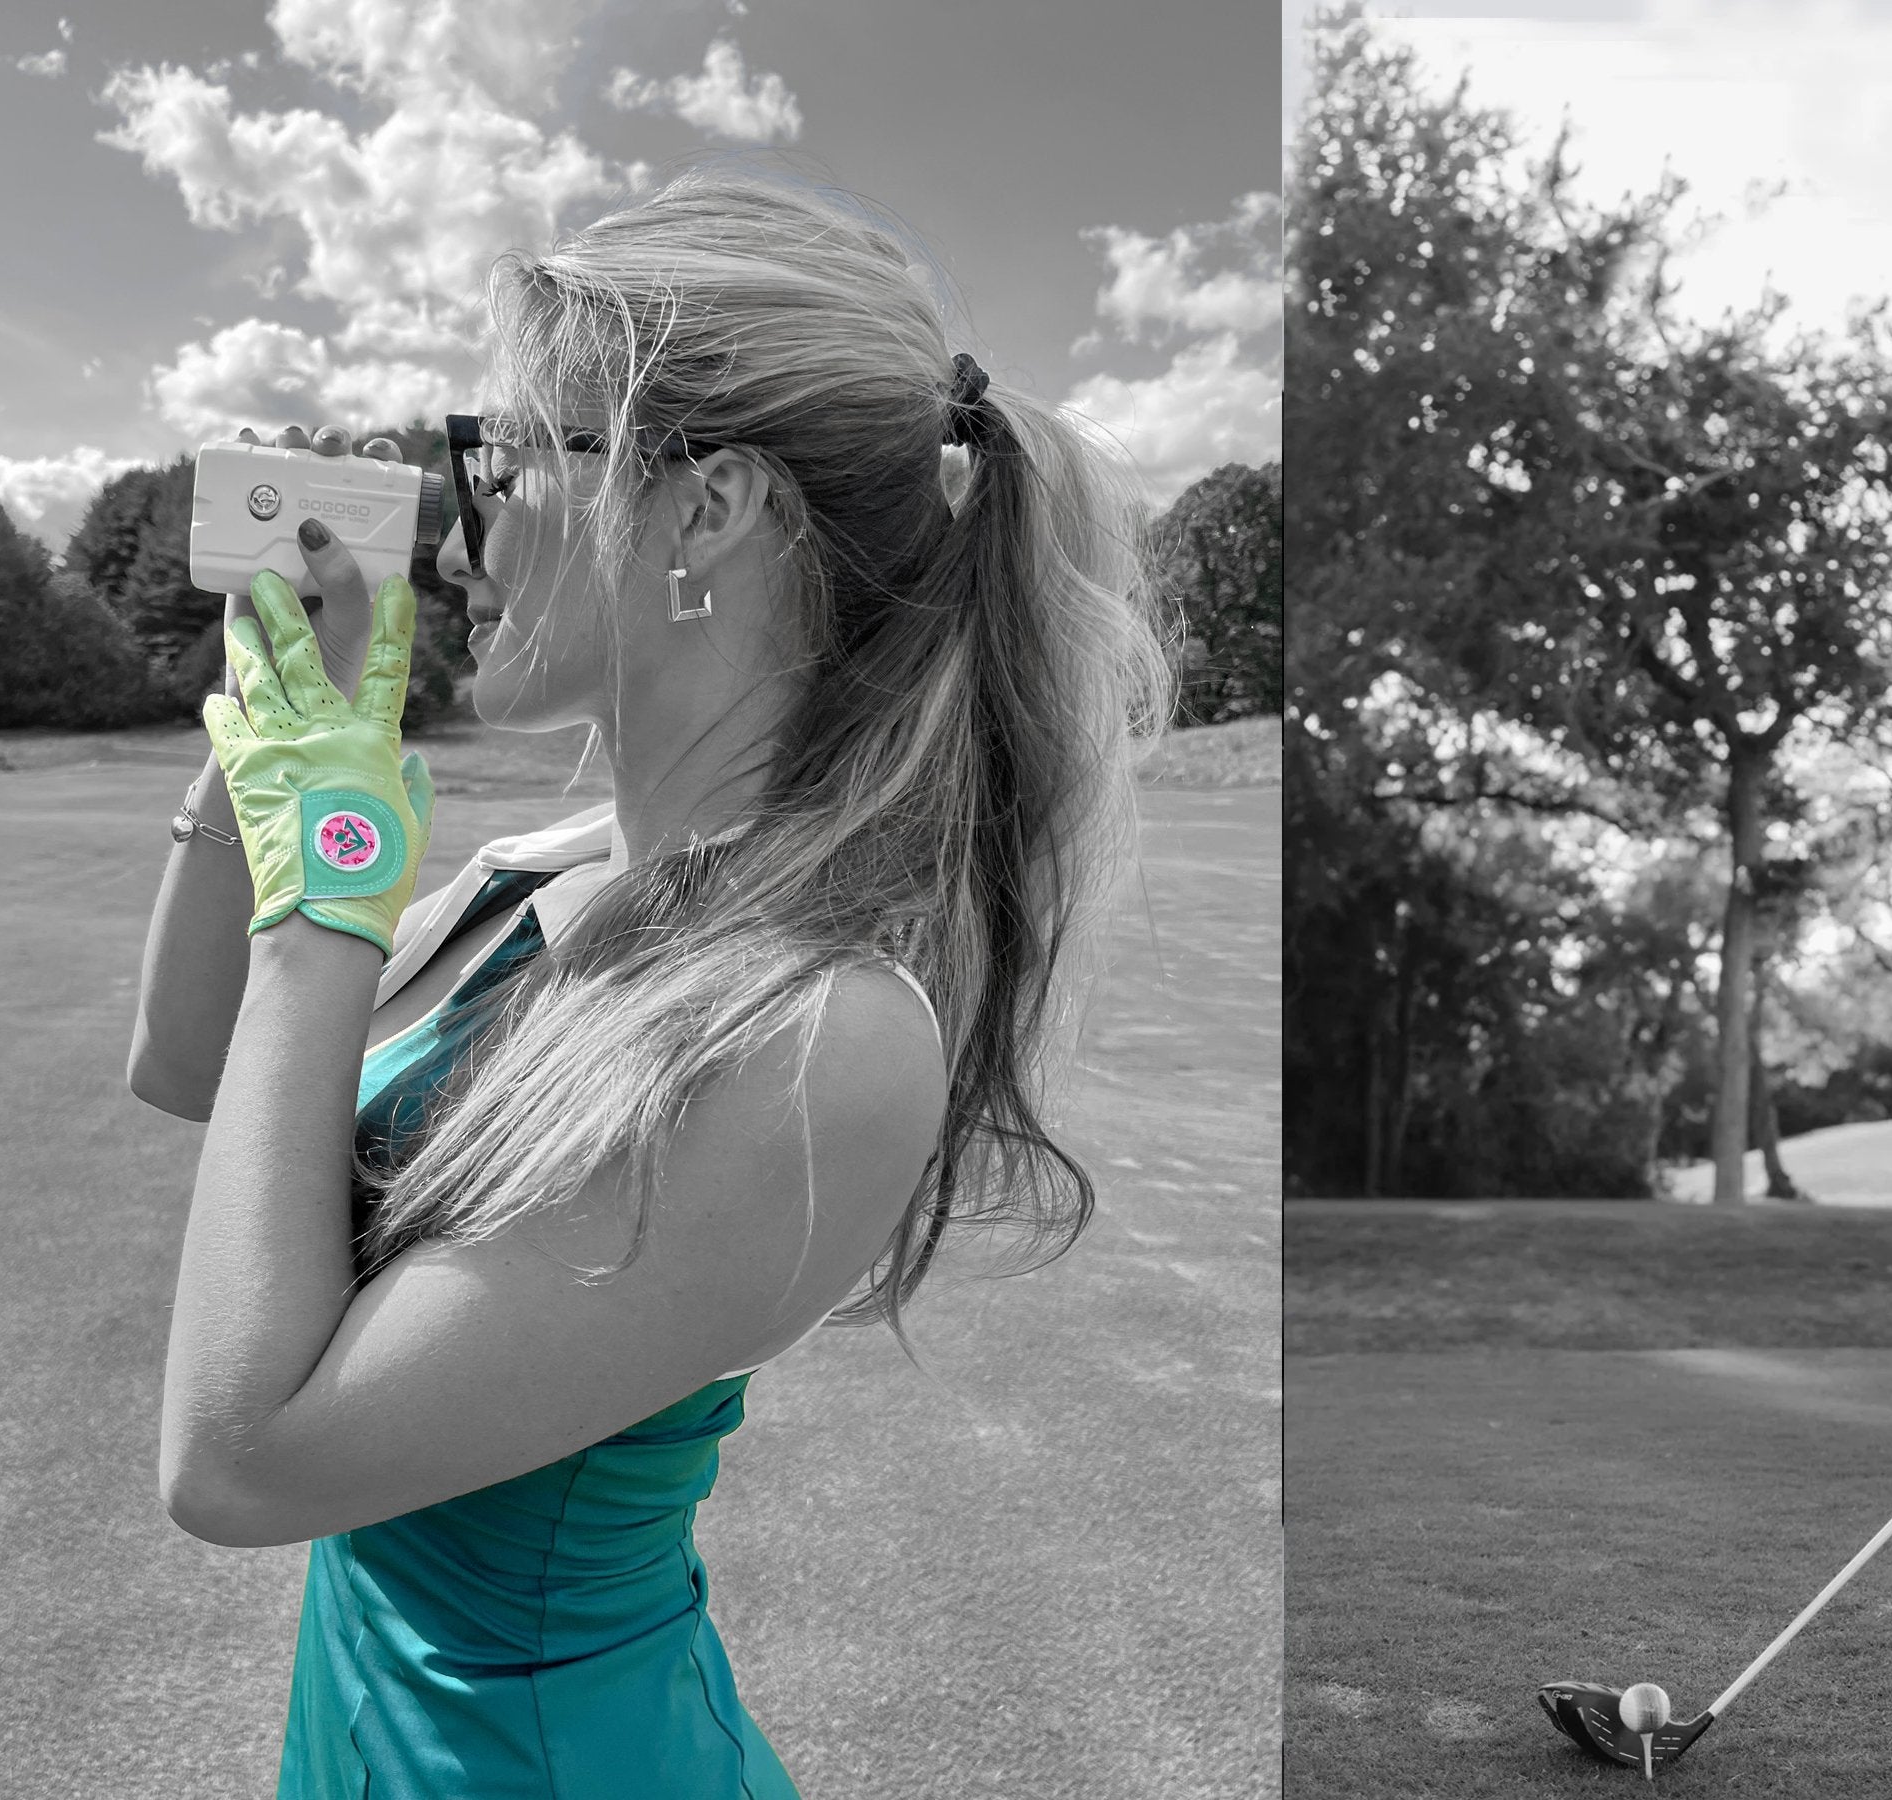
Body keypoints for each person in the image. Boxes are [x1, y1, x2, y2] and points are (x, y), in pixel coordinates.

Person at [126, 170, 1165, 1796]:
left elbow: (242, 1463)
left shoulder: (817, 1026)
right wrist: (262, 744)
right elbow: (196, 1064)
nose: (462, 520)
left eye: (507, 455)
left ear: (706, 508)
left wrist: (335, 882)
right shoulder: (553, 866)